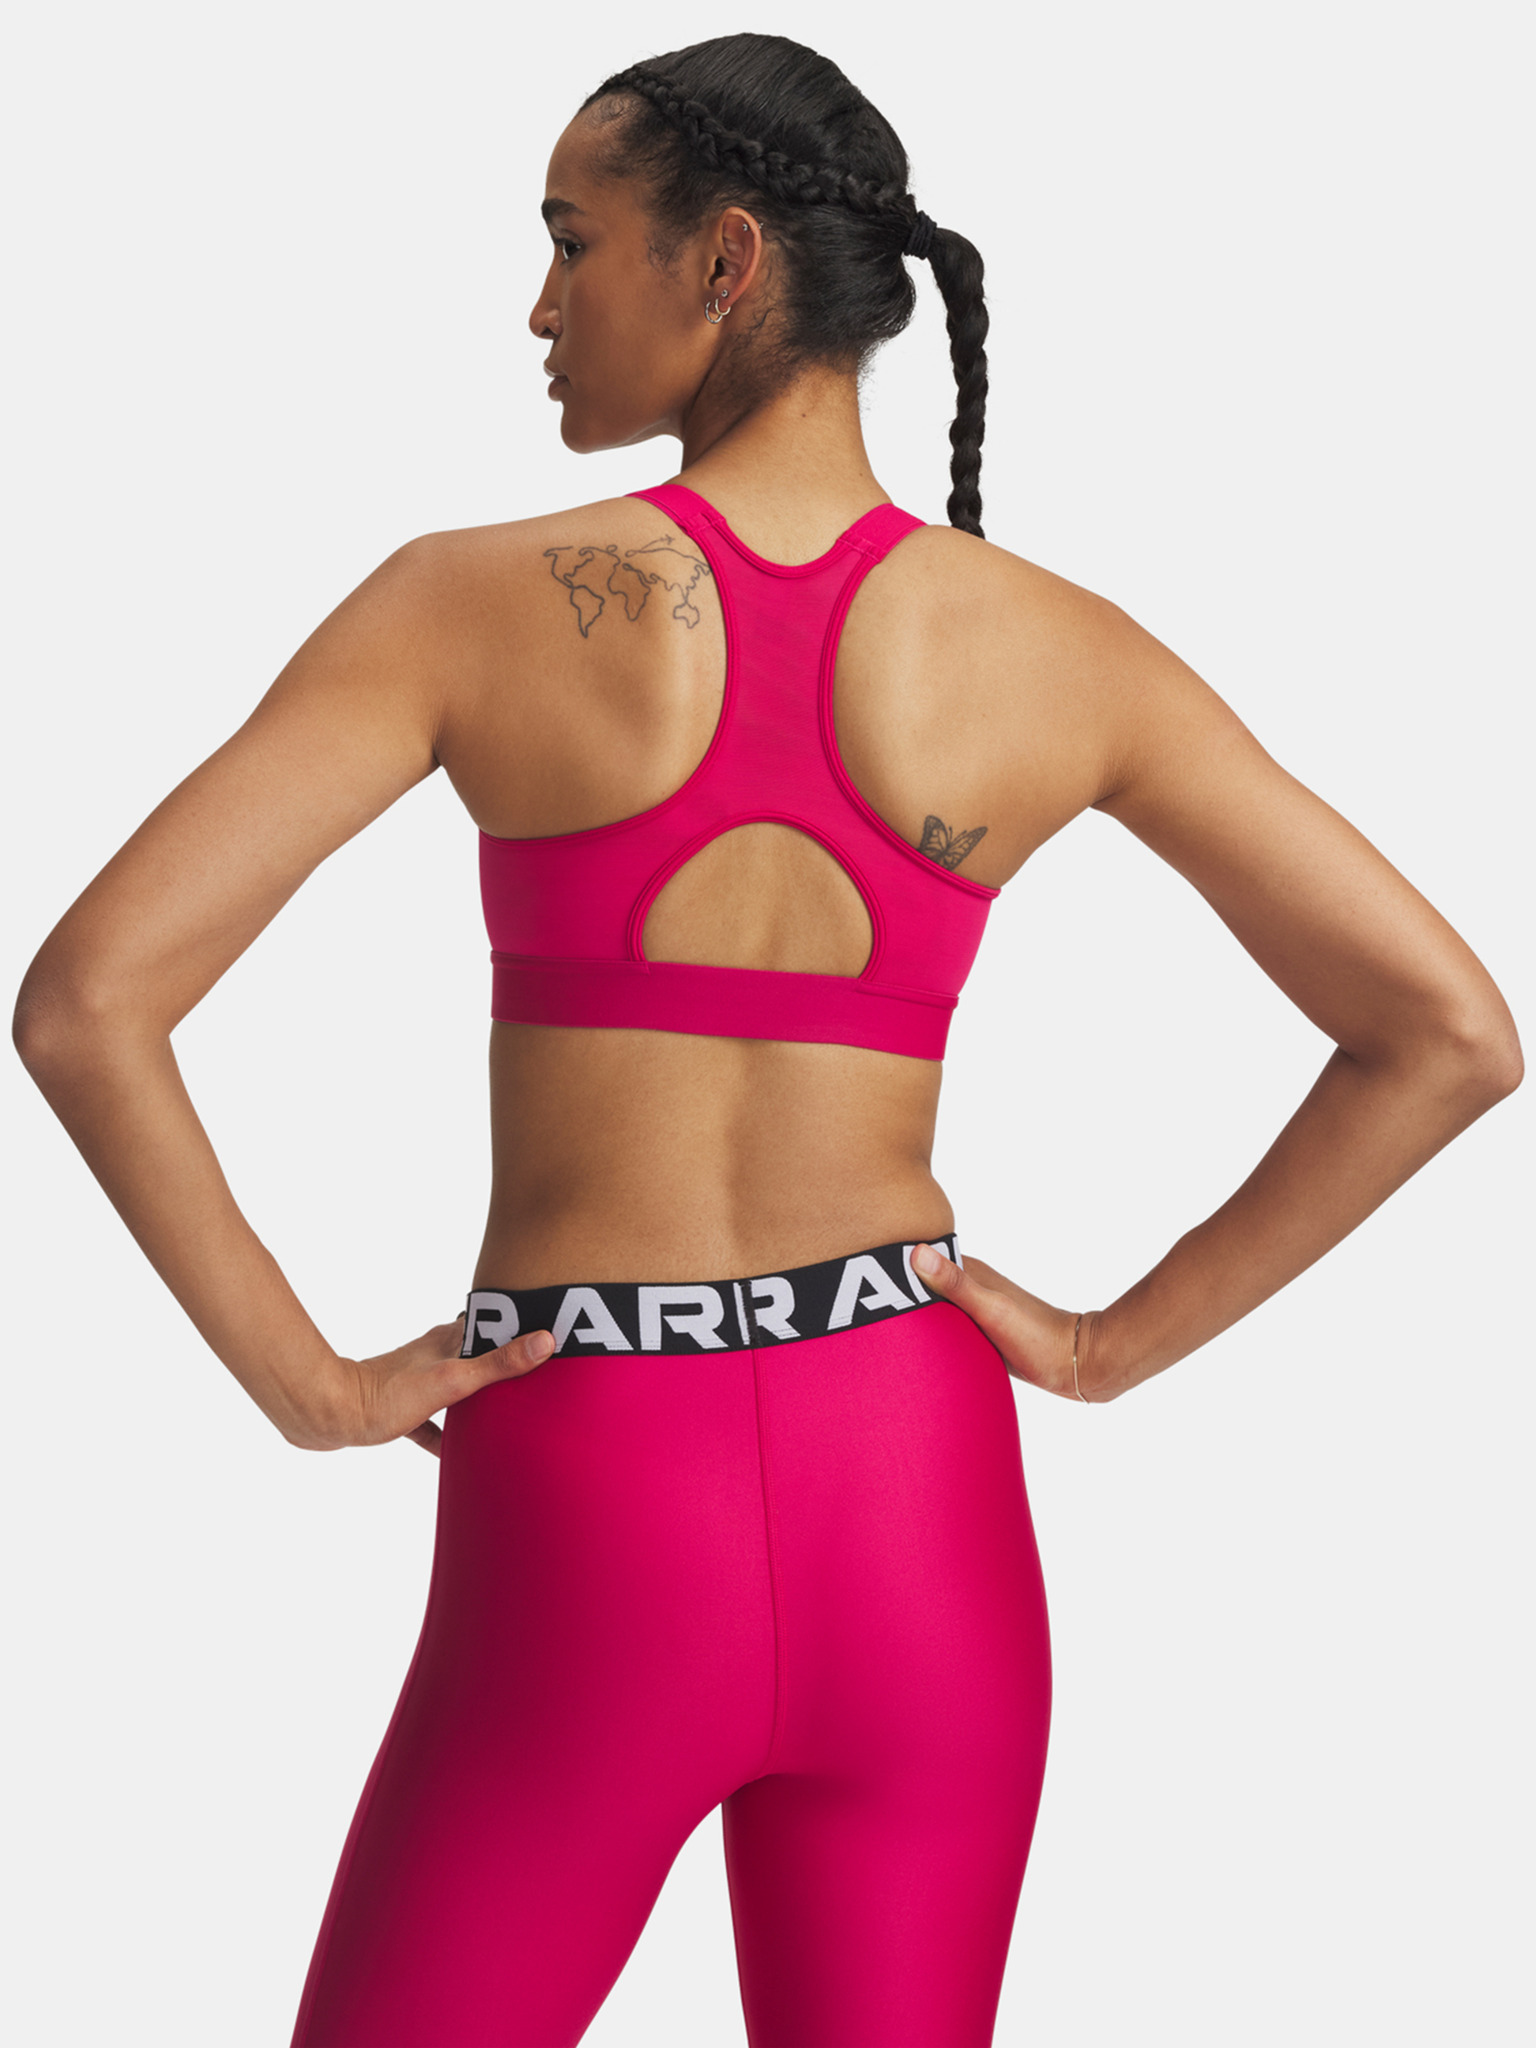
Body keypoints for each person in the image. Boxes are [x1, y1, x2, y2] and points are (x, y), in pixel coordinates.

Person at [12, 30, 1521, 2048]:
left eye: (573, 241)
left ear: (726, 259)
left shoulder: (470, 606)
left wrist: (312, 1387)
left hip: (593, 1493)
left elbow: (90, 998)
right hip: (921, 1492)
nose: (538, 305)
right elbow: (1446, 1029)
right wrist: (1101, 1349)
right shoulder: (1060, 652)